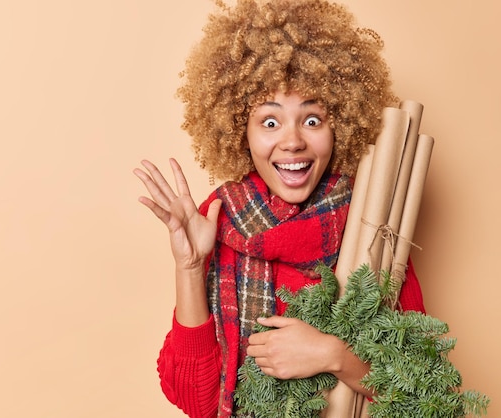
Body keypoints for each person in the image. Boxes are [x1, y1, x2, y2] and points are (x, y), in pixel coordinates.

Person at [134, 0, 425, 417]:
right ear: (240, 129)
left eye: (312, 120)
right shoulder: (220, 220)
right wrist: (190, 268)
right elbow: (196, 402)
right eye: (270, 122)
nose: (292, 141)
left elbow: (425, 388)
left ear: (339, 124)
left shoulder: (372, 220)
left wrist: (335, 356)